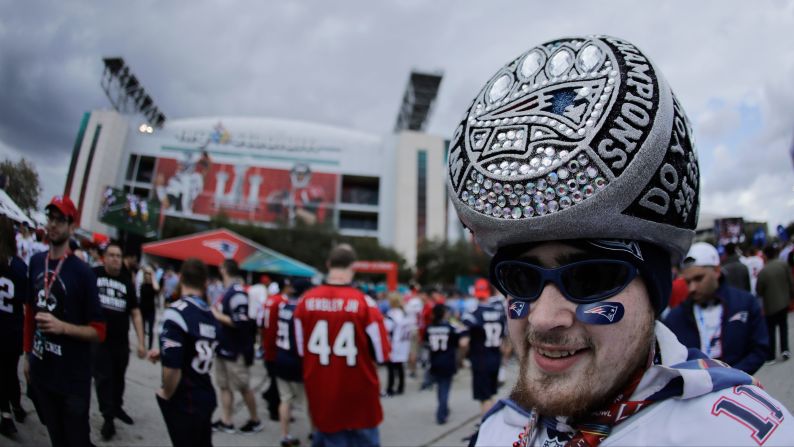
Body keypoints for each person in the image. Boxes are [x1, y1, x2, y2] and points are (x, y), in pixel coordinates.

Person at [444, 36, 794, 446]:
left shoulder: (738, 437)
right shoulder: (496, 430)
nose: (543, 318)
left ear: (656, 290)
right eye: (520, 280)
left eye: (589, 278)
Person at [23, 196, 106, 446]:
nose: (54, 225)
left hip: (72, 378)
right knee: (57, 437)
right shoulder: (37, 262)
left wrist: (63, 328)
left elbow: (99, 332)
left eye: (61, 220)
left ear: (72, 227)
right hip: (41, 370)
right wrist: (27, 354)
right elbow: (29, 311)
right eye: (51, 218)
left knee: (77, 440)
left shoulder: (83, 273)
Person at [294, 244, 391, 446]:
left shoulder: (305, 301)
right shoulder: (365, 303)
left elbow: (301, 350)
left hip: (322, 393)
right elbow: (383, 355)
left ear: (328, 264)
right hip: (360, 397)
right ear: (352, 267)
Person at [664, 242, 770, 374]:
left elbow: (760, 348)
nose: (692, 288)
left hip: (739, 387)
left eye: (698, 279)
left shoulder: (745, 303)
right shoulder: (675, 318)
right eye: (688, 282)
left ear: (717, 271)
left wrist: (732, 376)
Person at [149, 258, 220, 447]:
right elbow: (197, 349)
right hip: (205, 394)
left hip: (186, 400)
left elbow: (173, 369)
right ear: (205, 282)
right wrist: (165, 352)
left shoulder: (177, 312)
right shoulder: (210, 314)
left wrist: (165, 392)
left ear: (180, 278)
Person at [92, 241, 146, 440]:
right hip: (99, 340)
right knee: (104, 378)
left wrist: (141, 342)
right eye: (111, 255)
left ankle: (117, 408)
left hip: (120, 341)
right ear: (104, 257)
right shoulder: (94, 275)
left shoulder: (126, 282)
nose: (115, 258)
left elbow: (136, 313)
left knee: (118, 377)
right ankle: (108, 418)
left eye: (118, 255)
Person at [211, 259, 262, 434]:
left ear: (224, 269)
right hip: (224, 347)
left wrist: (216, 315)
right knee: (224, 385)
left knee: (243, 386)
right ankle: (227, 421)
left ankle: (255, 420)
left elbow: (240, 322)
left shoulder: (237, 293)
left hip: (236, 349)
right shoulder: (228, 291)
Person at [274, 278, 312, 447]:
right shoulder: (300, 309)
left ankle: (284, 435)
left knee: (285, 399)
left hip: (281, 354)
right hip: (295, 359)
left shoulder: (283, 306)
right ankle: (315, 432)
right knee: (308, 400)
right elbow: (300, 340)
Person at [460, 278, 507, 416]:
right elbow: (505, 339)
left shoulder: (472, 313)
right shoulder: (499, 311)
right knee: (490, 394)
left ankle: (487, 429)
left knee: (484, 397)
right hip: (495, 357)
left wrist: (462, 358)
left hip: (480, 359)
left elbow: (463, 342)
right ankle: (491, 423)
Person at [0, 216, 28, 437]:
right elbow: (26, 301)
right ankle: (15, 408)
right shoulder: (20, 266)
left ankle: (8, 414)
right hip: (12, 328)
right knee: (10, 372)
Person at [425, 303, 465, 425]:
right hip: (447, 361)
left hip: (434, 361)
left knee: (440, 387)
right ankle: (441, 414)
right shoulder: (450, 327)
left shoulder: (430, 327)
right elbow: (459, 338)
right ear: (443, 313)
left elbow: (426, 342)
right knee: (445, 388)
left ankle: (444, 408)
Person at [756, 244, 793, 362]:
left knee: (771, 331)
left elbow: (759, 290)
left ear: (765, 255)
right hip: (784, 301)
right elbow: (790, 281)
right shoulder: (783, 265)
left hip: (770, 306)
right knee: (783, 326)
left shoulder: (763, 272)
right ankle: (785, 350)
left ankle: (771, 355)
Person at [261, 280, 287, 421]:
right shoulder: (282, 302)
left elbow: (260, 322)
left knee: (274, 378)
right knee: (277, 381)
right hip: (277, 346)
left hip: (268, 344)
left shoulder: (269, 300)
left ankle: (268, 395)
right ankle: (274, 408)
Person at [383, 291, 411, 396]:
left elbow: (387, 328)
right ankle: (400, 387)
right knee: (400, 366)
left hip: (394, 343)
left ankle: (390, 389)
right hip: (404, 343)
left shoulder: (392, 313)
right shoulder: (404, 313)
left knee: (391, 368)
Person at [139, 264, 159, 350]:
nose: (147, 275)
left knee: (151, 330)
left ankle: (150, 347)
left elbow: (157, 288)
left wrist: (153, 275)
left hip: (151, 310)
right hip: (142, 309)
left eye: (149, 274)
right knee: (142, 329)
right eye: (146, 273)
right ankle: (142, 344)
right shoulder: (142, 285)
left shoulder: (154, 285)